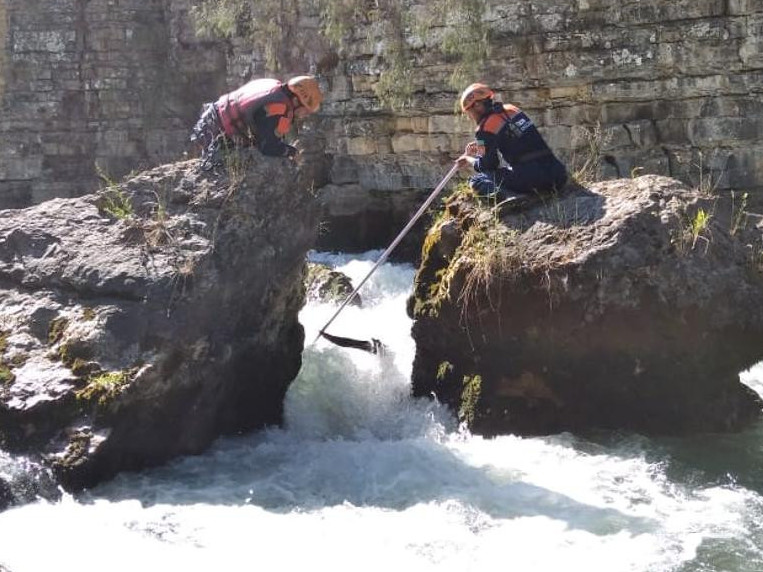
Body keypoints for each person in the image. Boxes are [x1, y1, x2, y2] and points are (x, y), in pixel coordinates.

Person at [455, 83, 567, 201]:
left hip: (533, 180)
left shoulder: (484, 129)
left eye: (469, 111)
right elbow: (514, 135)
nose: (470, 116)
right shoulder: (512, 109)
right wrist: (481, 144)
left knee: (477, 180)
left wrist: (468, 159)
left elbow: (488, 165)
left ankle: (512, 198)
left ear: (477, 105)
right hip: (558, 174)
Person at [191, 75, 323, 169]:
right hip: (216, 137)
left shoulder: (272, 85)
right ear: (296, 101)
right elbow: (268, 148)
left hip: (209, 119)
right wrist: (292, 152)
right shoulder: (280, 108)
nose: (304, 115)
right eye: (305, 110)